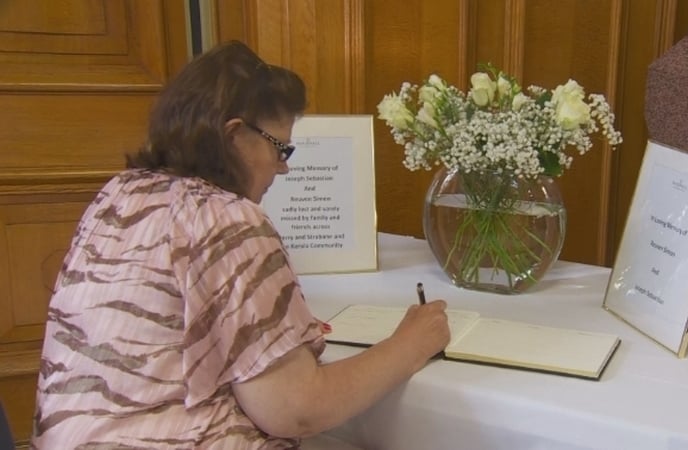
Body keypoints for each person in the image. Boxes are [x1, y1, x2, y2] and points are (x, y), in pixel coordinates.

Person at [31, 40, 450, 449]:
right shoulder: (229, 219)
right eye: (281, 148)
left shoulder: (120, 193)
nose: (284, 168)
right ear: (234, 136)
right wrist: (411, 344)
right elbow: (298, 409)